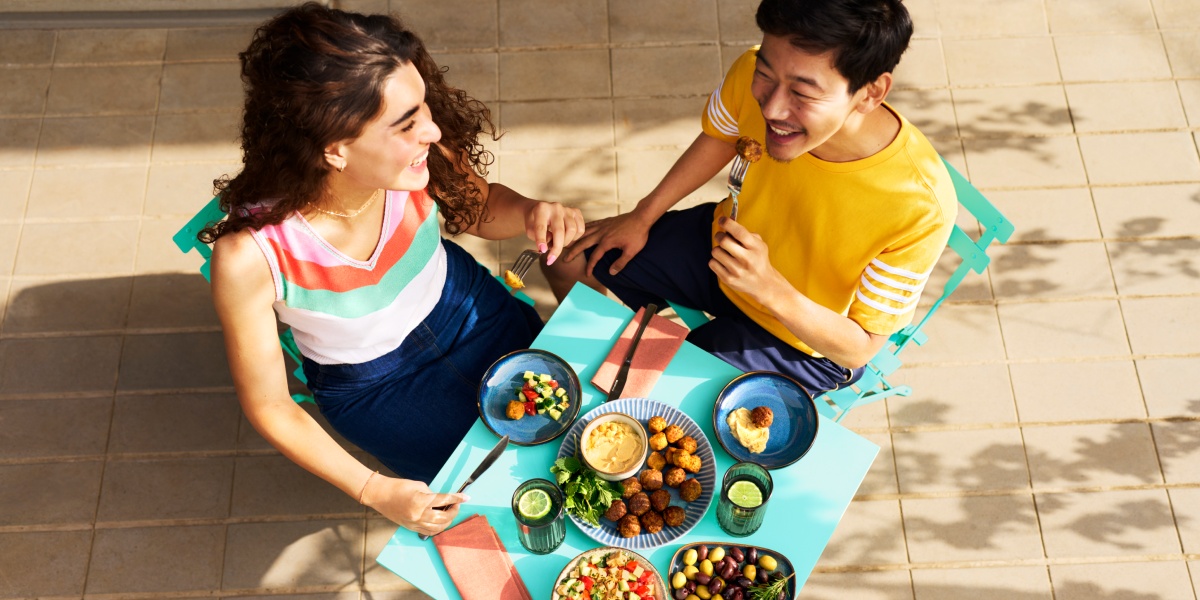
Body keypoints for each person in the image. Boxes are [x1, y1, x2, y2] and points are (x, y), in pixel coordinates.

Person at [203, 3, 583, 536]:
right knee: (497, 499)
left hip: (471, 308)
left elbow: (477, 208)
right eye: (406, 124)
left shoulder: (418, 161)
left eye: (423, 107)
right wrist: (373, 489)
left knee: (574, 431)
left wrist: (527, 212)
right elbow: (269, 404)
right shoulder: (250, 258)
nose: (431, 130)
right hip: (379, 390)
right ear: (336, 148)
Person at [543, 0, 957, 397]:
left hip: (803, 339)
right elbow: (721, 137)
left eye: (804, 92)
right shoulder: (748, 70)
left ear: (871, 93)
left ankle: (625, 377)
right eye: (767, 75)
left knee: (654, 401)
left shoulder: (919, 205)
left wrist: (770, 288)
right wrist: (643, 214)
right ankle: (594, 369)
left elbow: (860, 348)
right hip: (723, 250)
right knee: (569, 259)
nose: (773, 108)